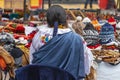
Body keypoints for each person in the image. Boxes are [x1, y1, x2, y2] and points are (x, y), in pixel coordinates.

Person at [30, 5, 93, 80]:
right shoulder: (77, 39)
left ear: (47, 19)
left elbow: (32, 61)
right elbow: (86, 63)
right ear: (66, 19)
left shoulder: (40, 36)